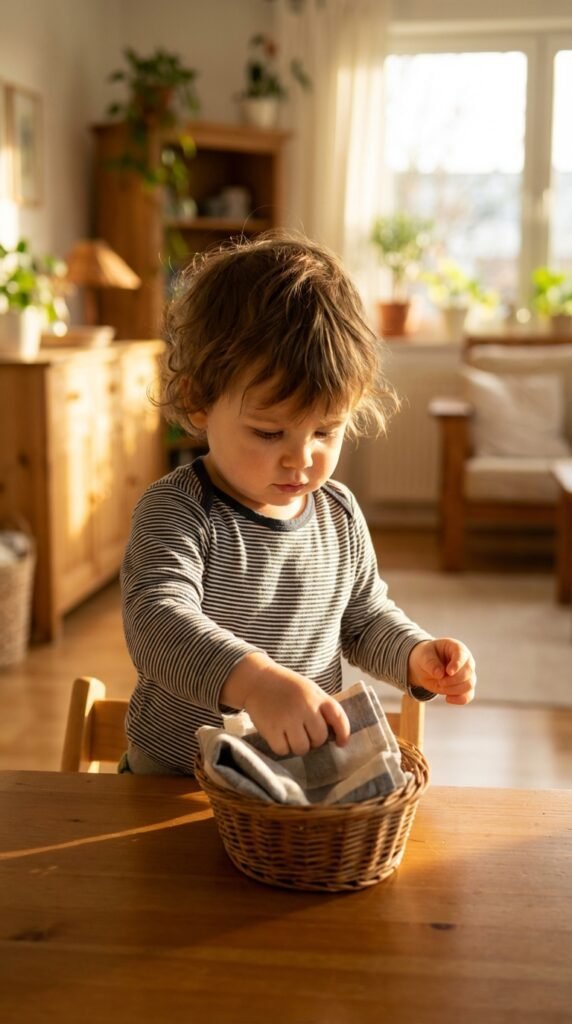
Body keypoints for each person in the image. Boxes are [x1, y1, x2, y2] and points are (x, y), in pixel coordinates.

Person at [120, 231, 476, 775]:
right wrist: (257, 682)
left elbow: (362, 618)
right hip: (173, 777)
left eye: (326, 432)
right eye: (268, 434)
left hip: (291, 780)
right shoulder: (177, 510)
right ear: (198, 403)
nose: (300, 460)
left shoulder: (338, 513)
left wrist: (413, 655)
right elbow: (156, 621)